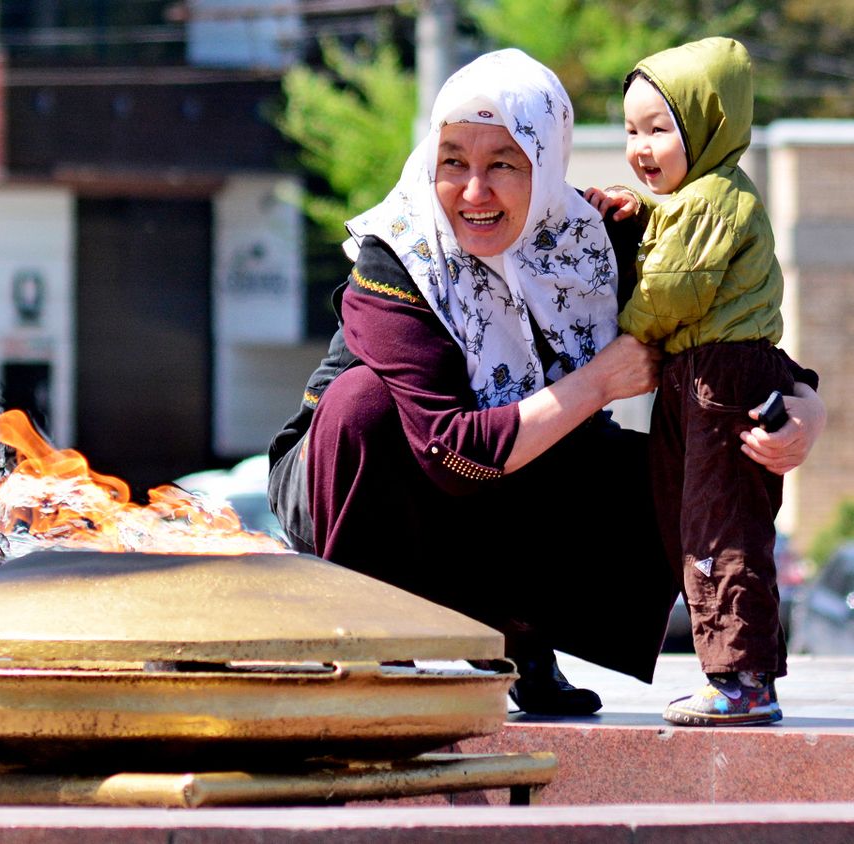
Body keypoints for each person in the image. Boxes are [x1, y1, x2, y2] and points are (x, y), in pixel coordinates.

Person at [268, 48, 825, 716]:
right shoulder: (399, 259)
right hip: (367, 484)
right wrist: (595, 383)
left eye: (503, 163)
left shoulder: (593, 242)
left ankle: (520, 635)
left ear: (547, 159)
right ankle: (370, 640)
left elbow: (722, 330)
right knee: (361, 405)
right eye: (454, 163)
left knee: (680, 455)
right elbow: (450, 451)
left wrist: (800, 403)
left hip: (516, 478)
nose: (474, 192)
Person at [583, 37, 821, 726]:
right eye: (632, 130)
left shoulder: (715, 199)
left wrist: (619, 333)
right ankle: (736, 673)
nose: (641, 146)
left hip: (720, 373)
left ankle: (742, 679)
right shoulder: (694, 198)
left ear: (710, 124)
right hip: (699, 376)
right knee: (691, 523)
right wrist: (634, 211)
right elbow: (668, 236)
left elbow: (671, 291)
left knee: (720, 524)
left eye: (661, 129)